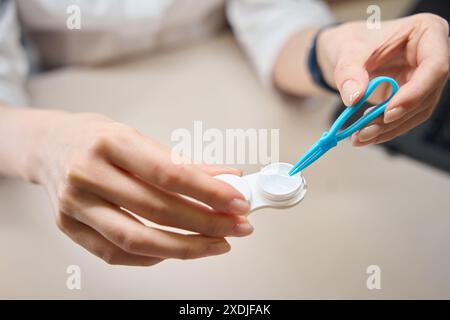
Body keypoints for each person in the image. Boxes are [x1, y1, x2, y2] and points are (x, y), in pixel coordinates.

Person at [0, 0, 448, 266]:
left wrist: (326, 53)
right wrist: (43, 145)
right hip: (56, 93)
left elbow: (273, 15)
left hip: (231, 73)